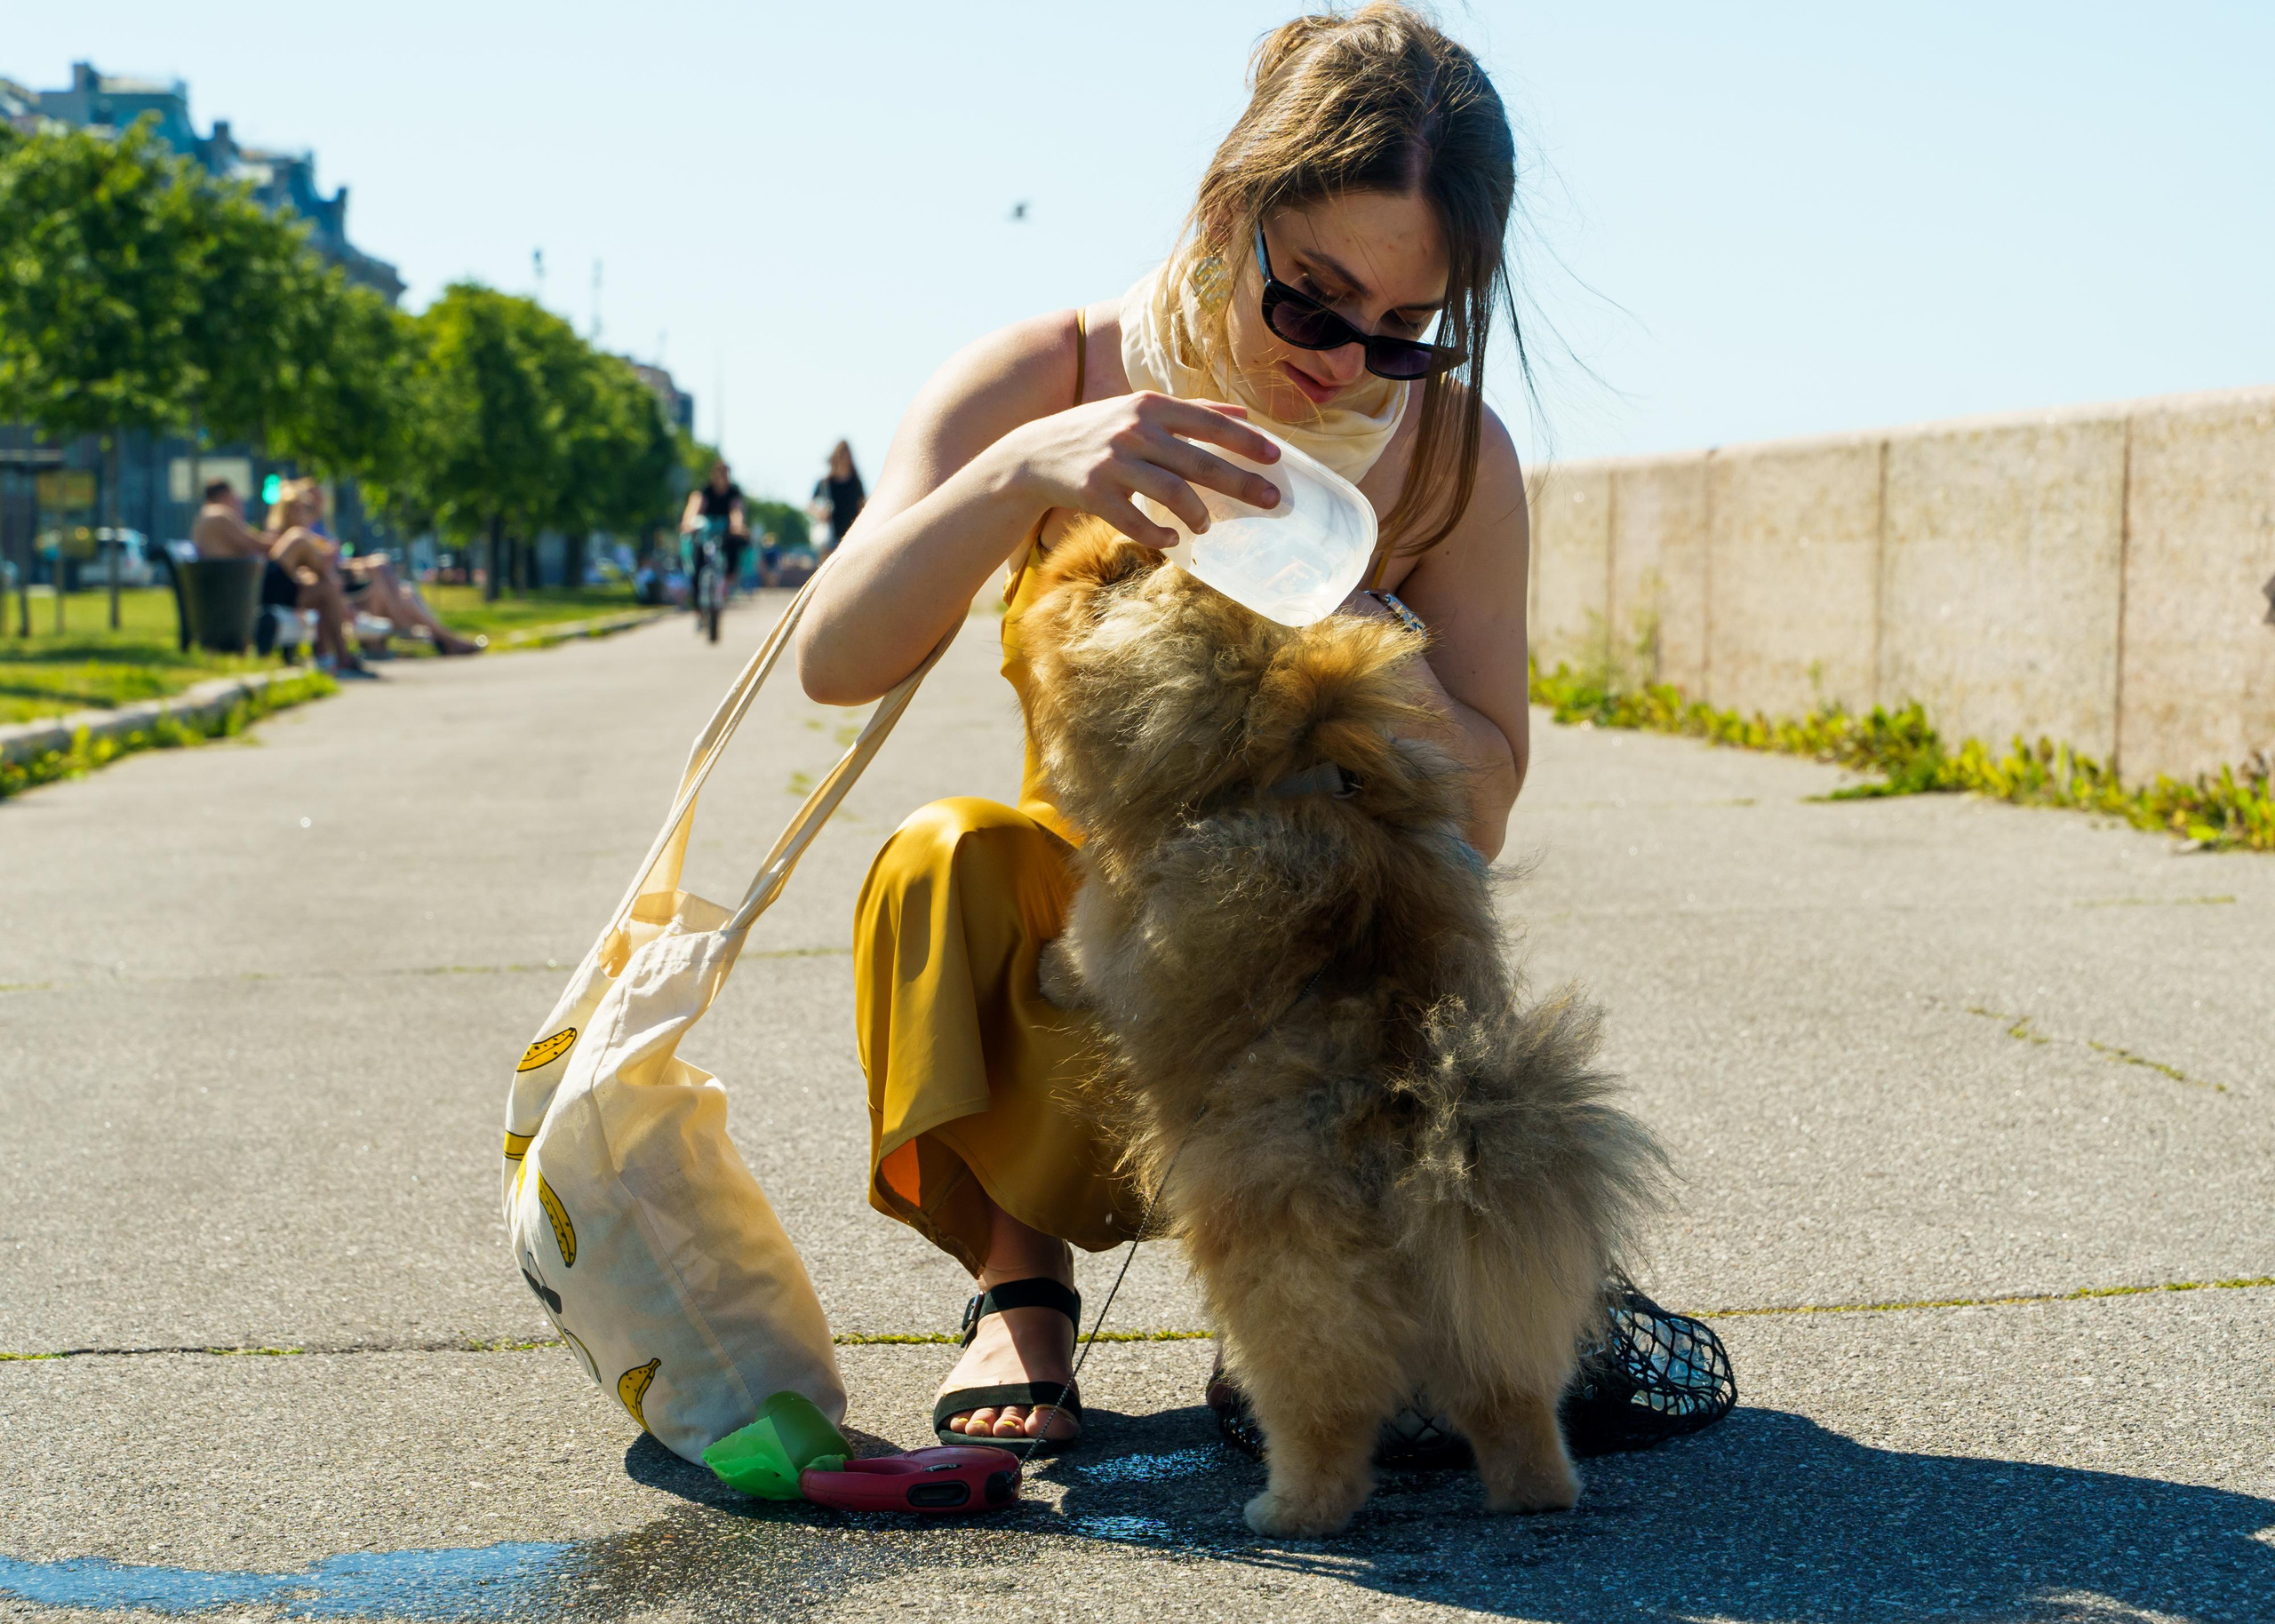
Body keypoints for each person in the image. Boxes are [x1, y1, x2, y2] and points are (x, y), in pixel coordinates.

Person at [796, 4, 1551, 1447]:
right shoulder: (1059, 373)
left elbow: (1492, 802)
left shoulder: (1453, 457)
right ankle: (1021, 1293)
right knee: (938, 856)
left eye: (1404, 334)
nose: (1343, 363)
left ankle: (1291, 1307)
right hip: (1083, 991)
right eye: (1312, 302)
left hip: (1311, 1016)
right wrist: (1026, 469)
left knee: (1370, 926)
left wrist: (1351, 614)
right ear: (1230, 211)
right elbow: (836, 656)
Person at [265, 481, 483, 658]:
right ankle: (436, 637)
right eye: (305, 506)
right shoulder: (294, 537)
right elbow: (310, 571)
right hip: (323, 591)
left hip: (328, 588)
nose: (310, 508)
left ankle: (441, 638)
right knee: (373, 580)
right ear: (288, 511)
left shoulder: (309, 532)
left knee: (398, 589)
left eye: (310, 505)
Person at [189, 480, 372, 678]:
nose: (238, 502)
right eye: (235, 498)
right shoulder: (219, 513)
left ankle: (333, 655)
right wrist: (289, 543)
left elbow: (249, 545)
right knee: (299, 538)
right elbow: (255, 544)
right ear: (224, 495)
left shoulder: (209, 517)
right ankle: (337, 582)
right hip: (246, 590)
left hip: (245, 588)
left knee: (326, 589)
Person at [681, 460, 751, 593]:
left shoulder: (733, 492)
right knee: (697, 552)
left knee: (734, 542)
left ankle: (730, 577)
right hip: (706, 529)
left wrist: (737, 526)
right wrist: (688, 523)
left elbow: (736, 511)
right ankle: (697, 590)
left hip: (725, 529)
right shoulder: (705, 490)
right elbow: (695, 507)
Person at [809, 442, 866, 555]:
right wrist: (820, 513)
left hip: (852, 535)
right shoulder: (825, 483)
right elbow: (811, 506)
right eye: (841, 456)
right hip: (830, 537)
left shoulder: (855, 483)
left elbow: (862, 506)